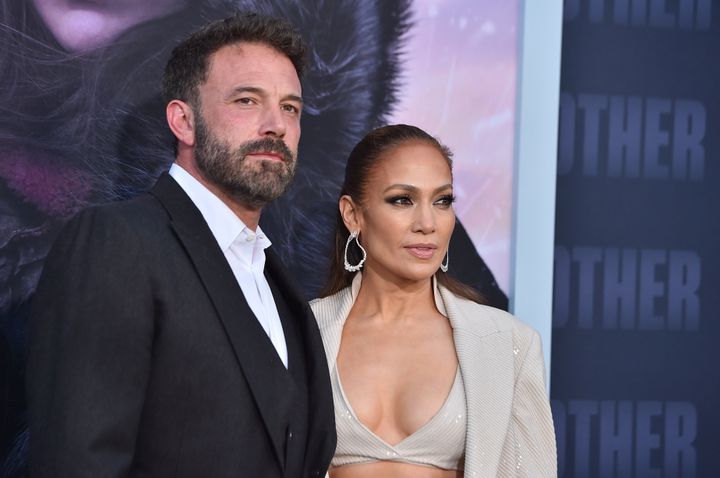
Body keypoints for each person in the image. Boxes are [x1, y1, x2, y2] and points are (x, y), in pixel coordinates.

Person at [26, 13, 335, 478]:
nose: (276, 124)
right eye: (247, 100)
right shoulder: (116, 243)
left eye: (290, 107)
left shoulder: (277, 281)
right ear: (183, 121)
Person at [311, 124, 556, 478]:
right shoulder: (301, 332)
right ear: (353, 215)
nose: (427, 223)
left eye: (442, 201)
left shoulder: (507, 344)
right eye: (402, 200)